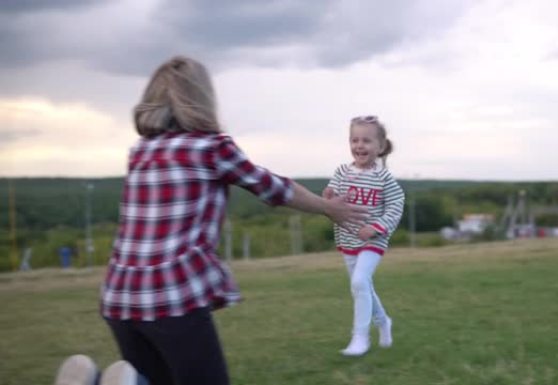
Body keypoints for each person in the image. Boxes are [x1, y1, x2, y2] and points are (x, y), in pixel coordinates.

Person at [55, 56, 366, 385]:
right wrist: (328, 208)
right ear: (201, 97)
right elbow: (275, 189)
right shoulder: (212, 148)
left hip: (119, 294)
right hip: (171, 292)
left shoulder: (141, 151)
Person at [322, 115, 405, 356]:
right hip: (348, 239)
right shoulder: (341, 172)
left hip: (373, 240)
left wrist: (378, 226)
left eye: (366, 141)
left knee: (359, 282)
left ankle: (360, 338)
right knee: (362, 286)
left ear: (379, 147)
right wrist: (327, 198)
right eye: (354, 140)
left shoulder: (383, 177)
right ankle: (383, 321)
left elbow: (397, 204)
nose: (359, 145)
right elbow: (332, 202)